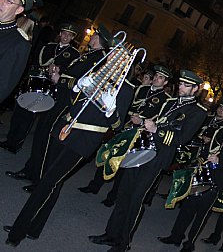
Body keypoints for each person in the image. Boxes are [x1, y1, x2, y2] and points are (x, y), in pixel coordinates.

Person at [4, 62, 135, 246]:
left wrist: (110, 110)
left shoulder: (126, 88)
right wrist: (78, 87)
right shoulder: (96, 73)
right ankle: (35, 228)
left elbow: (116, 125)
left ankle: (18, 230)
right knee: (48, 179)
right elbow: (74, 100)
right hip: (64, 129)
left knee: (48, 182)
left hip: (84, 141)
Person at [89, 70, 208, 252]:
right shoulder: (169, 102)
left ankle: (123, 242)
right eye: (181, 83)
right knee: (124, 193)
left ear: (195, 89)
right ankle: (111, 233)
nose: (181, 87)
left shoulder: (198, 112)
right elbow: (158, 122)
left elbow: (182, 138)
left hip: (159, 156)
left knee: (136, 197)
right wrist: (143, 121)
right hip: (143, 149)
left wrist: (156, 131)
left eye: (186, 85)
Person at [5, 25, 112, 189]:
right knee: (41, 132)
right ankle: (31, 169)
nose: (90, 37)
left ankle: (40, 179)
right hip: (61, 97)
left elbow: (87, 83)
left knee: (48, 137)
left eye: (93, 35)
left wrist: (60, 78)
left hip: (68, 101)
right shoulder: (92, 54)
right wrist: (60, 72)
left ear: (98, 39)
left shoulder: (100, 57)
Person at [157, 102, 223, 252]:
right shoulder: (220, 131)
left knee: (201, 214)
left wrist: (219, 161)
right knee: (187, 208)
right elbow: (205, 151)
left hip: (217, 180)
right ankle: (175, 236)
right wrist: (199, 163)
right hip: (202, 174)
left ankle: (190, 243)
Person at [77, 65, 172, 204]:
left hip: (139, 132)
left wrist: (141, 121)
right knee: (110, 153)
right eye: (156, 76)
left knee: (125, 163)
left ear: (165, 83)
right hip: (126, 125)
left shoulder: (166, 99)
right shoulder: (142, 88)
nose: (157, 79)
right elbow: (129, 105)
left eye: (161, 78)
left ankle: (113, 197)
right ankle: (94, 186)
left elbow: (159, 119)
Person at [0, 22, 80, 154]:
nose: (65, 37)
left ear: (72, 38)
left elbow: (71, 71)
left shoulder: (74, 54)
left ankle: (16, 143)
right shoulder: (49, 46)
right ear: (60, 34)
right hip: (36, 80)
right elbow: (38, 61)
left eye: (69, 35)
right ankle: (9, 139)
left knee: (29, 115)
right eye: (64, 33)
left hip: (49, 86)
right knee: (19, 110)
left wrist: (59, 70)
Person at [0, 0, 34, 104]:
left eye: (9, 1)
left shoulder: (18, 44)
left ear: (19, 10)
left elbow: (2, 87)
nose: (1, 2)